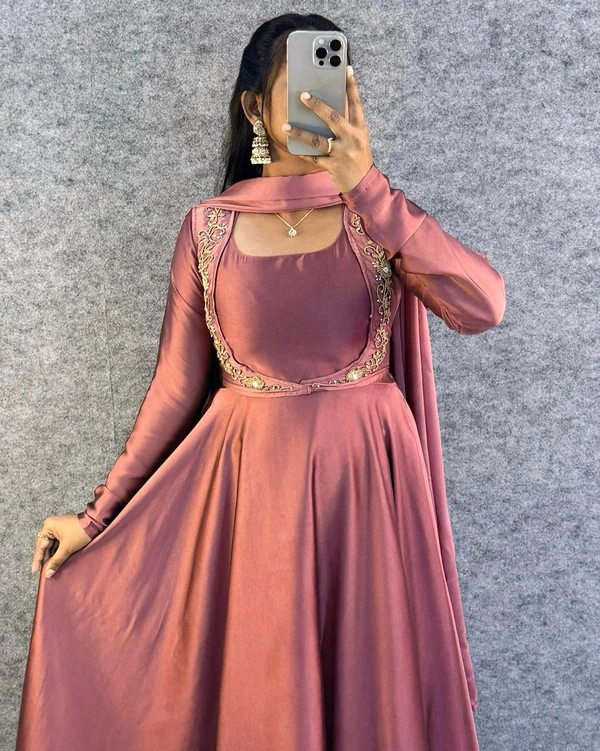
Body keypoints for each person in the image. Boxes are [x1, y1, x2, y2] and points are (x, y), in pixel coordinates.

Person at [16, 12, 505, 751]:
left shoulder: (378, 217)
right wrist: (95, 516)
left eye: (334, 85)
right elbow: (175, 389)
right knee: (271, 689)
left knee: (371, 687)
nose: (320, 103)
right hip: (255, 498)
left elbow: (483, 306)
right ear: (253, 106)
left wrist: (368, 187)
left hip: (369, 490)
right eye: (300, 88)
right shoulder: (207, 229)